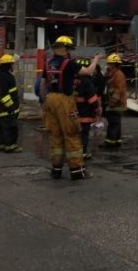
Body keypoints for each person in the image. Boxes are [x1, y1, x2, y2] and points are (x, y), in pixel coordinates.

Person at [41, 36, 100, 180]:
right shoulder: (69, 64)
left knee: (56, 136)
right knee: (72, 134)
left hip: (50, 99)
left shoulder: (48, 63)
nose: (69, 52)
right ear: (64, 48)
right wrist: (96, 60)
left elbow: (43, 84)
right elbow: (89, 72)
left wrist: (43, 103)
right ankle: (77, 171)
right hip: (64, 101)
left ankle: (56, 169)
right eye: (68, 49)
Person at [73, 58, 102, 160]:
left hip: (72, 113)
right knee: (84, 133)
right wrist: (97, 108)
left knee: (74, 134)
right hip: (85, 113)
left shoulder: (73, 80)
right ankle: (83, 153)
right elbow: (92, 100)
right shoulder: (87, 82)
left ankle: (73, 151)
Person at [0, 54, 22, 153]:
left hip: (0, 109)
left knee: (2, 128)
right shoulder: (7, 77)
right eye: (12, 64)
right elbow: (4, 95)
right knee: (11, 128)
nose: (13, 66)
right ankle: (10, 146)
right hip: (6, 109)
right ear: (8, 65)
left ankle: (2, 144)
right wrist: (12, 108)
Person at [99, 53, 127, 149]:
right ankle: (117, 140)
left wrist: (111, 103)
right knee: (116, 122)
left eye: (110, 64)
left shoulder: (118, 75)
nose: (108, 65)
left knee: (113, 123)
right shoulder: (112, 74)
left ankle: (110, 142)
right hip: (114, 102)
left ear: (115, 64)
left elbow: (118, 91)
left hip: (116, 103)